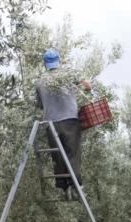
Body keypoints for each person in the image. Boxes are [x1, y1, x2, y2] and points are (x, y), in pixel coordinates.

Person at [35, 49, 91, 200]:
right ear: (58, 61)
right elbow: (87, 86)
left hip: (50, 123)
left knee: (58, 156)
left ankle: (63, 188)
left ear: (45, 63)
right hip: (69, 121)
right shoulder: (68, 75)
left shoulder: (40, 81)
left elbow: (39, 104)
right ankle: (76, 188)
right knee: (72, 153)